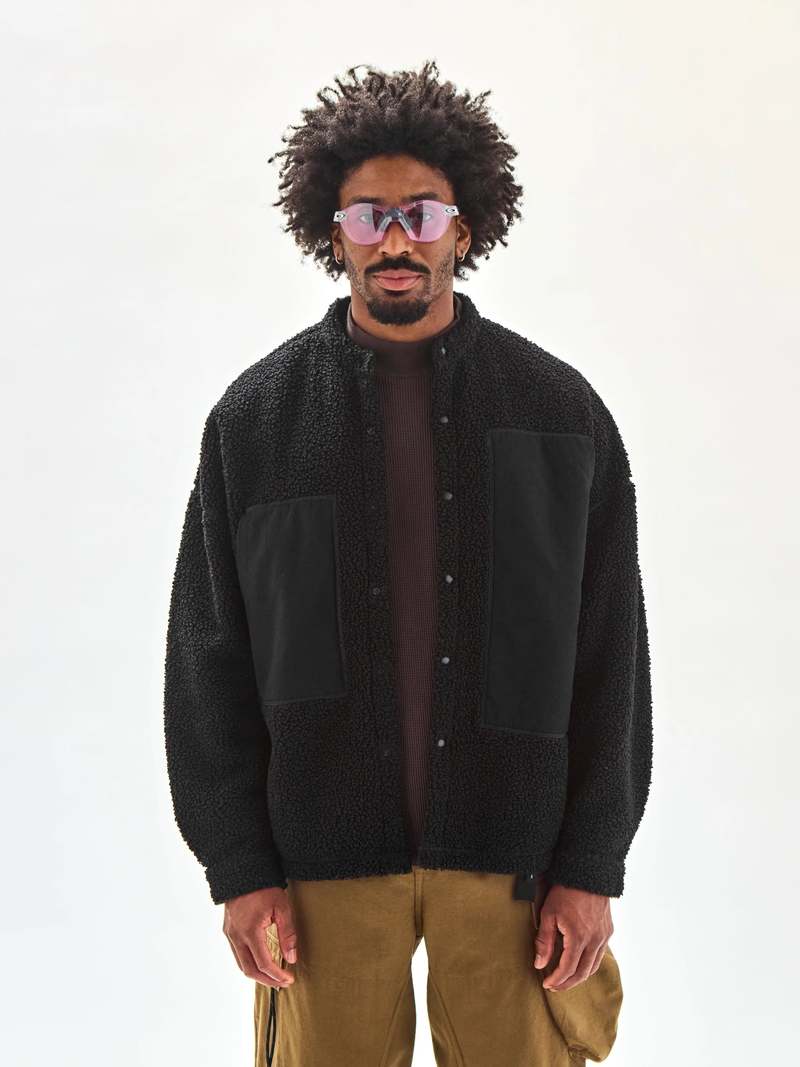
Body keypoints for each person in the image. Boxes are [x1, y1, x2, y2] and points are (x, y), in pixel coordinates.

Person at [163, 59, 653, 1067]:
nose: (395, 240)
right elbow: (208, 660)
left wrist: (591, 860)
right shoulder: (254, 425)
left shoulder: (560, 416)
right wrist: (238, 867)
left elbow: (613, 656)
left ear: (463, 231)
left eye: (421, 214)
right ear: (332, 231)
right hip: (321, 865)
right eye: (368, 216)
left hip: (517, 862)